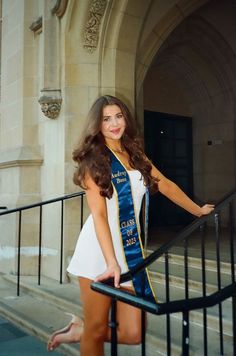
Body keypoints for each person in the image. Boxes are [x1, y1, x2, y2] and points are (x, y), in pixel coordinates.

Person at [47, 95, 214, 355]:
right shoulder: (94, 158)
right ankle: (86, 330)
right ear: (97, 124)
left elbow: (165, 184)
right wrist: (111, 262)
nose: (114, 124)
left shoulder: (133, 154)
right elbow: (100, 216)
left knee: (134, 333)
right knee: (96, 327)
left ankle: (81, 330)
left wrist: (197, 210)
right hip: (99, 253)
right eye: (106, 119)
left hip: (129, 251)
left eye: (119, 116)